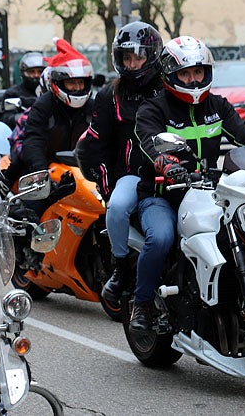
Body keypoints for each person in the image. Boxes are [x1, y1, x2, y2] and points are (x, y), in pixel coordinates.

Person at [132, 36, 245, 332]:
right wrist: (168, 166)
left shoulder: (218, 106)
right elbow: (150, 143)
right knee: (159, 239)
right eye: (185, 74)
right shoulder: (153, 109)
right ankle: (142, 304)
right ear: (170, 74)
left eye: (198, 72)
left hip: (209, 192)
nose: (193, 80)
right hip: (163, 195)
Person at [75, 22, 164, 308]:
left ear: (153, 56)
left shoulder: (169, 89)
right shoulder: (109, 95)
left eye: (139, 56)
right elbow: (94, 144)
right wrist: (105, 183)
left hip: (173, 172)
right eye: (127, 57)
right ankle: (121, 267)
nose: (133, 63)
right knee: (116, 207)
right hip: (133, 175)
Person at [0, 39, 94, 197]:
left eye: (80, 82)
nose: (77, 88)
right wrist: (41, 174)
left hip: (81, 171)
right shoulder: (44, 105)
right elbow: (33, 140)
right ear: (59, 82)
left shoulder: (93, 107)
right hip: (45, 168)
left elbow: (103, 140)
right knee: (32, 211)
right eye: (71, 83)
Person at [0, 51, 46, 127]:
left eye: (40, 71)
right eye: (31, 72)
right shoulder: (12, 93)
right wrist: (26, 117)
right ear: (23, 73)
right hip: (24, 135)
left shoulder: (50, 92)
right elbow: (7, 118)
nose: (36, 75)